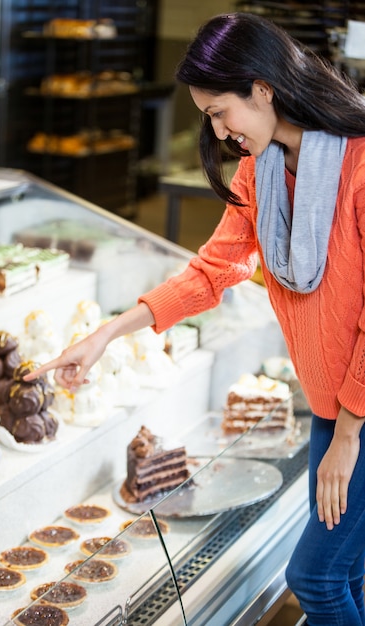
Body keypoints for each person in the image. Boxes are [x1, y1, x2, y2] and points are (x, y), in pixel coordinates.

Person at [24, 12, 365, 625]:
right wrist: (104, 334)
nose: (219, 130)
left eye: (218, 111)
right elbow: (213, 272)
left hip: (357, 416)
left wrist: (347, 436)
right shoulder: (259, 171)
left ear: (263, 88)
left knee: (313, 578)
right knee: (349, 573)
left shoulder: (361, 167)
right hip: (329, 405)